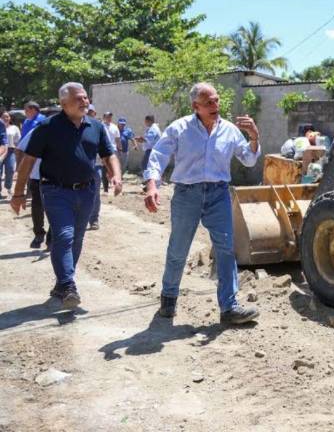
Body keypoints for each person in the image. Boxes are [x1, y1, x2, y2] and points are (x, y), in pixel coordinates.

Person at [144, 82, 261, 325]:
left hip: (219, 194)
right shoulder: (180, 128)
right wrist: (152, 185)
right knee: (178, 248)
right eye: (208, 102)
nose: (215, 105)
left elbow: (249, 160)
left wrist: (254, 137)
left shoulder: (229, 130)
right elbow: (159, 155)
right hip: (187, 194)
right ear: (195, 106)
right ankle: (169, 298)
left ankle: (229, 307)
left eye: (216, 100)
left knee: (226, 249)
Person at [11, 82, 122, 309]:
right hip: (56, 190)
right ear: (63, 103)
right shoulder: (47, 127)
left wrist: (116, 176)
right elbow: (28, 161)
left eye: (85, 97)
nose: (84, 101)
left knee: (77, 238)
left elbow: (108, 155)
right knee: (64, 236)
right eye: (78, 98)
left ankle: (62, 284)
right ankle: (69, 285)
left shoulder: (96, 126)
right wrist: (18, 193)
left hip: (87, 191)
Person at [16, 129, 50, 249]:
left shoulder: (68, 130)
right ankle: (39, 233)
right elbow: (20, 149)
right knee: (37, 206)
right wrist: (20, 170)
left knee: (56, 208)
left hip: (57, 178)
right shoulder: (38, 130)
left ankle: (51, 238)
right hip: (36, 175)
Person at [0, 111, 21, 199]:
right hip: (1, 151)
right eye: (3, 117)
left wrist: (18, 151)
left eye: (7, 117)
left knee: (11, 169)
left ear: (10, 118)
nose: (6, 118)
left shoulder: (14, 128)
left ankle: (8, 186)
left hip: (11, 151)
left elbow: (18, 140)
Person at [101, 112, 121, 193]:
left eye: (110, 117)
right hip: (103, 149)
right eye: (107, 116)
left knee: (113, 169)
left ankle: (115, 186)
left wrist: (119, 148)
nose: (109, 118)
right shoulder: (101, 126)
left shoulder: (114, 127)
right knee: (105, 168)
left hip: (113, 150)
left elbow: (117, 139)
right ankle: (105, 189)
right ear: (104, 117)